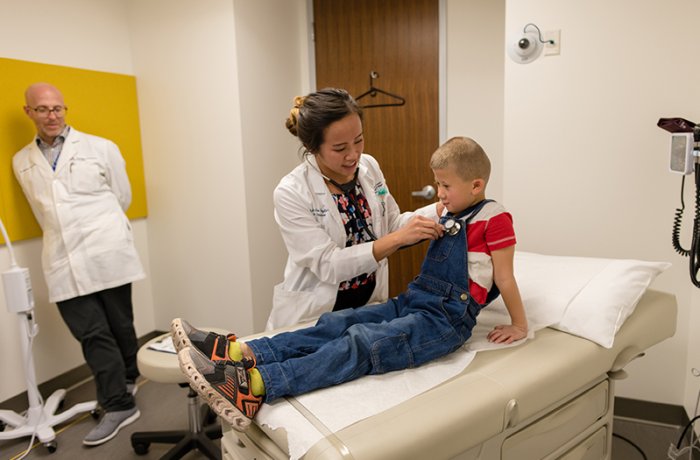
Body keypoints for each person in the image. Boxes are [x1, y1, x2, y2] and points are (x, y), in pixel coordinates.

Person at [171, 136, 528, 431]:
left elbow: (505, 277)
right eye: (438, 184)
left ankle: (258, 385)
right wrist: (416, 226)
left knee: (362, 342)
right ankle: (241, 354)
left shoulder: (495, 219)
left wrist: (518, 324)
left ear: (477, 185)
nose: (438, 193)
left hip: (445, 321)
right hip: (415, 300)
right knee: (340, 322)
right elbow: (343, 253)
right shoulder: (450, 211)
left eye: (445, 185)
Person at [12, 83, 144, 446]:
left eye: (57, 108)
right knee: (91, 332)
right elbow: (43, 211)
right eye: (42, 109)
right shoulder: (22, 160)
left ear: (65, 110)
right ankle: (119, 404)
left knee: (120, 324)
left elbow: (123, 196)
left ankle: (128, 379)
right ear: (29, 112)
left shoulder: (100, 147)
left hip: (106, 248)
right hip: (61, 257)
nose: (51, 115)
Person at [268, 88, 444, 329]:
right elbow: (329, 264)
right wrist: (395, 240)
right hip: (314, 316)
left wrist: (441, 208)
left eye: (359, 140)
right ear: (312, 147)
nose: (353, 155)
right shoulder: (291, 192)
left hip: (366, 309)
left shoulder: (368, 166)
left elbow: (392, 224)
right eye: (340, 148)